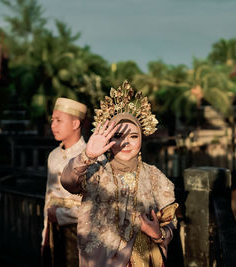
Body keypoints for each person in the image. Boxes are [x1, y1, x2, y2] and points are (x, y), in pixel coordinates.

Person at [60, 80, 179, 267]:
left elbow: (170, 221)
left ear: (142, 138)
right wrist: (87, 155)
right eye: (117, 136)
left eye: (133, 136)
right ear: (108, 138)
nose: (125, 143)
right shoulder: (95, 171)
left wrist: (159, 234)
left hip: (148, 260)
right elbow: (68, 181)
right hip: (103, 261)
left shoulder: (155, 177)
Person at [41, 97, 88, 267]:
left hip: (82, 232)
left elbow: (98, 205)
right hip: (54, 231)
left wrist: (61, 215)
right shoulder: (53, 156)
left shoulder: (91, 156)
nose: (53, 125)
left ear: (75, 124)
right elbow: (49, 197)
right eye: (52, 120)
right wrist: (44, 235)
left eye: (59, 120)